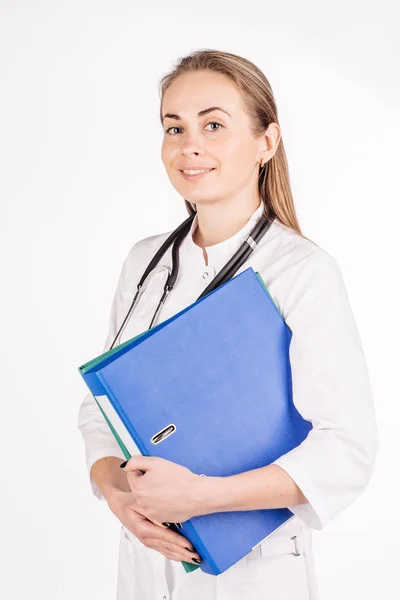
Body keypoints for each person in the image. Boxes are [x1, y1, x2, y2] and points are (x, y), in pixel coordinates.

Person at [77, 49, 379, 600]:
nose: (189, 144)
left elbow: (346, 451)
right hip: (147, 561)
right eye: (175, 127)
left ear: (267, 142)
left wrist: (202, 497)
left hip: (253, 569)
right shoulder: (145, 263)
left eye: (213, 124)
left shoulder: (301, 271)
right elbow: (102, 409)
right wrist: (120, 496)